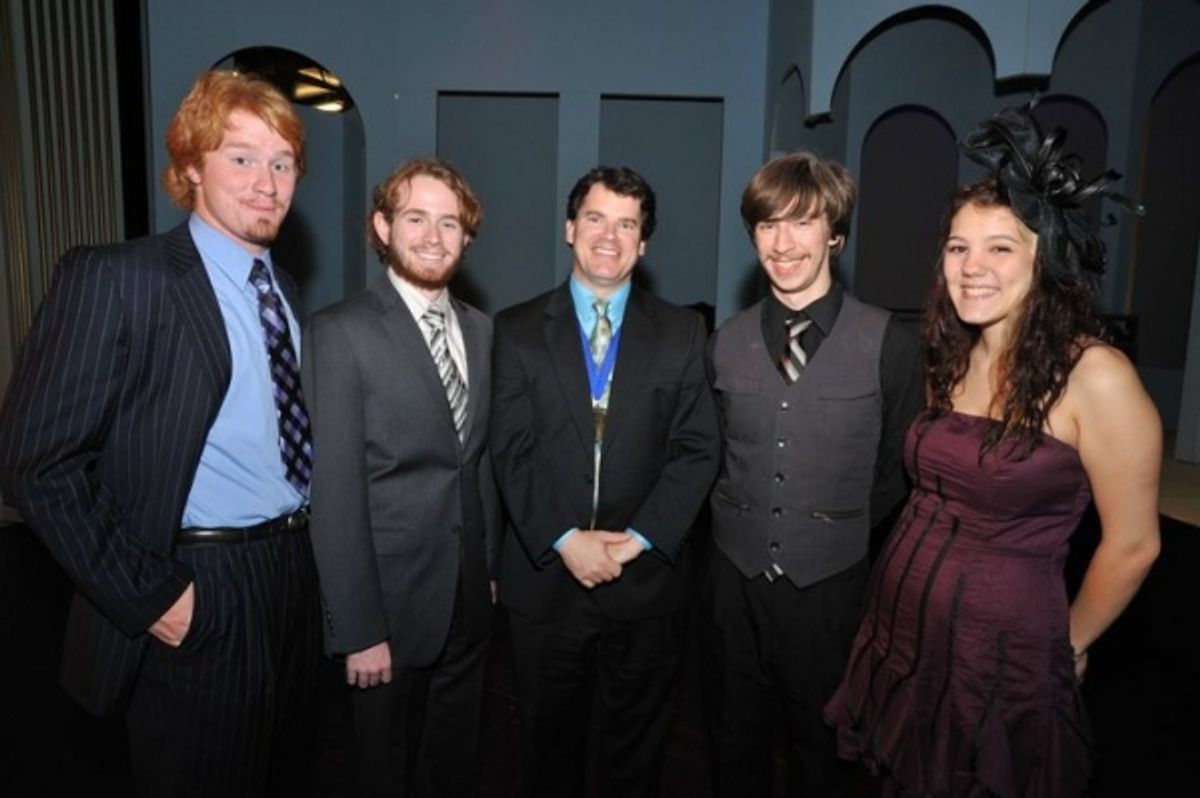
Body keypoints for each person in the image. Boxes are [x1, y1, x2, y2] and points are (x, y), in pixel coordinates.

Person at [824, 103, 1162, 797]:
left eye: (999, 247)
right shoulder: (951, 355)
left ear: (1044, 258)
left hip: (1000, 656)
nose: (971, 267)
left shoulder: (1096, 376)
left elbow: (1133, 545)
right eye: (957, 247)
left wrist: (1068, 645)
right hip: (902, 633)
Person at [0, 70, 322, 795]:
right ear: (189, 168)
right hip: (196, 581)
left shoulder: (286, 293)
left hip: (292, 578)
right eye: (240, 157)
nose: (266, 181)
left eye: (282, 162)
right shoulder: (119, 278)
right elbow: (34, 463)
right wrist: (152, 597)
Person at [490, 166, 721, 798]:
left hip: (646, 583)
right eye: (596, 218)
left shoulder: (683, 332)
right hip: (545, 583)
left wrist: (639, 539)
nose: (609, 237)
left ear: (644, 243)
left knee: (636, 759)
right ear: (570, 228)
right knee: (545, 753)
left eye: (628, 224)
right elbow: (508, 451)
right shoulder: (512, 330)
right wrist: (564, 538)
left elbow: (699, 449)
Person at [702, 152, 923, 797]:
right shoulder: (724, 339)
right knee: (732, 744)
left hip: (833, 594)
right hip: (732, 589)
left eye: (803, 222)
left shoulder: (891, 345)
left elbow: (897, 473)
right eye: (769, 225)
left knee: (823, 754)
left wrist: (832, 534)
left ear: (835, 234)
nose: (783, 242)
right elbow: (712, 456)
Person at [302, 157, 500, 796]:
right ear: (382, 227)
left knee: (453, 765)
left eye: (450, 223)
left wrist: (489, 570)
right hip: (385, 611)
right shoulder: (340, 333)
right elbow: (333, 494)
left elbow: (479, 460)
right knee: (382, 773)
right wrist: (359, 630)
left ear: (467, 238)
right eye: (416, 218)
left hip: (468, 602)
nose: (434, 237)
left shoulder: (482, 330)